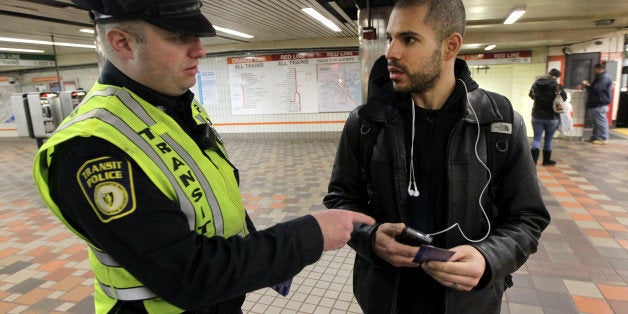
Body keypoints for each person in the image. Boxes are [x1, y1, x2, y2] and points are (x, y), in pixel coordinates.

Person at [32, 0, 375, 313]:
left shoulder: (174, 106)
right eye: (180, 37)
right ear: (122, 43)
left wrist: (262, 256)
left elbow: (210, 200)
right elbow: (189, 275)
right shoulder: (93, 148)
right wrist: (307, 235)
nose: (199, 50)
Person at [323, 0, 550, 313]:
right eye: (390, 38)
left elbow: (528, 218)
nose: (391, 52)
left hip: (468, 302)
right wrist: (371, 238)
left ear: (450, 45)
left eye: (409, 39)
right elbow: (340, 199)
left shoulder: (499, 122)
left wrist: (488, 259)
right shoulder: (367, 122)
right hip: (386, 298)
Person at [528, 68, 567, 165]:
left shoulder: (536, 84)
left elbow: (531, 95)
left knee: (537, 138)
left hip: (537, 115)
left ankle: (534, 161)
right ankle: (546, 160)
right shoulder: (557, 86)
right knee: (548, 139)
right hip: (552, 117)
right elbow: (564, 98)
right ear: (557, 77)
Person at [583, 63, 612, 144]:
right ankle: (594, 137)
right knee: (596, 122)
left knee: (601, 121)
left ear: (599, 69)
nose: (593, 71)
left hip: (600, 103)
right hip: (597, 103)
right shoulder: (600, 77)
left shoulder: (604, 77)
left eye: (594, 69)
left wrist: (587, 86)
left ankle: (603, 138)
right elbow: (595, 87)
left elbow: (596, 89)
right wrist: (589, 86)